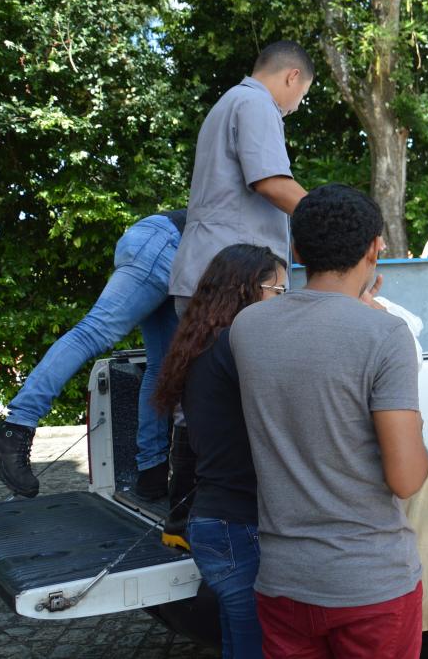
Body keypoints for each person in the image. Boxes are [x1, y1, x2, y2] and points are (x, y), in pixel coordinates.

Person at [229, 183, 428, 658]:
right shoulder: (385, 334)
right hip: (371, 584)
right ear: (373, 248)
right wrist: (418, 432)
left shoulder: (247, 327)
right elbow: (406, 478)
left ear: (296, 250)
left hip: (283, 580)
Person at [0, 210, 185, 499]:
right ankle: (15, 428)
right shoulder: (265, 208)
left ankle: (152, 471)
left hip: (165, 244)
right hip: (166, 243)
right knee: (94, 333)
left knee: (164, 367)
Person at [150, 244, 288, 659]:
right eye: (277, 291)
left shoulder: (205, 346)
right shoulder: (234, 347)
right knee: (255, 646)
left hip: (216, 522)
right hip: (238, 525)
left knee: (240, 642)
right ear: (245, 290)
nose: (283, 302)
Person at [168, 40, 314, 314]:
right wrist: (328, 215)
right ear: (292, 76)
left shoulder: (229, 102)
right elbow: (271, 182)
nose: (296, 107)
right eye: (302, 95)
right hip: (234, 282)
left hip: (206, 272)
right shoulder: (256, 103)